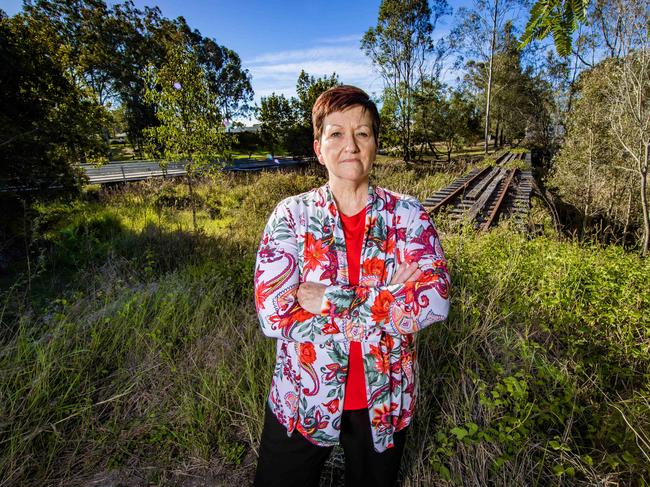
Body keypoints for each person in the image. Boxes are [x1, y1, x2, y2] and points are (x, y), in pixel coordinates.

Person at [253, 85, 450, 487]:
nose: (351, 145)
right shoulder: (292, 216)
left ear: (375, 143)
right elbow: (273, 313)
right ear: (318, 146)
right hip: (304, 398)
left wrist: (328, 299)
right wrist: (388, 304)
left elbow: (435, 301)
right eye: (336, 133)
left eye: (362, 133)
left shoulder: (407, 215)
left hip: (384, 401)